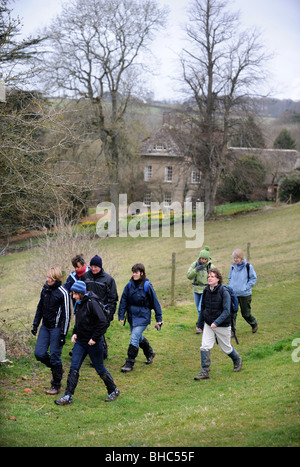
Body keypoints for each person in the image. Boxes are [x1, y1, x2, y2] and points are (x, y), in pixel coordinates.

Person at [54, 281, 119, 405]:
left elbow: (102, 322)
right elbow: (79, 321)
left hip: (93, 343)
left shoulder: (92, 303)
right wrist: (74, 333)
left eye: (75, 294)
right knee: (73, 367)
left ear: (81, 293)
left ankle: (113, 390)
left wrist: (94, 338)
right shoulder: (79, 303)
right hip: (81, 342)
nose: (73, 296)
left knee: (100, 368)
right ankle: (68, 396)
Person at [194, 268, 242, 380]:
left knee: (226, 348)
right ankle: (205, 372)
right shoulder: (206, 290)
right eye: (208, 277)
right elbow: (203, 308)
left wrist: (216, 322)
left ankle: (237, 359)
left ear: (218, 279)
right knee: (205, 346)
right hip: (208, 324)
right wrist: (199, 323)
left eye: (212, 276)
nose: (209, 278)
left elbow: (227, 311)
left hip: (222, 325)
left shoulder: (224, 292)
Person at [32, 267, 70, 395]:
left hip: (57, 328)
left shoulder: (63, 292)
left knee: (54, 356)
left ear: (56, 279)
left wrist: (63, 334)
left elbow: (67, 315)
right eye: (47, 276)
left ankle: (56, 385)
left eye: (49, 277)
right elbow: (39, 308)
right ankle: (57, 369)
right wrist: (35, 324)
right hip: (45, 327)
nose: (47, 279)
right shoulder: (45, 290)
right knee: (39, 354)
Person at [118, 263, 163, 372]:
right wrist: (121, 314)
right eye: (133, 272)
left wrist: (159, 318)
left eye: (136, 273)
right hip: (132, 316)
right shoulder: (129, 285)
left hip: (143, 316)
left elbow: (155, 302)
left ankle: (129, 363)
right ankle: (150, 353)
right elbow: (123, 300)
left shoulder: (147, 286)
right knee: (138, 337)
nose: (134, 274)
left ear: (141, 273)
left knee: (134, 337)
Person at [82, 255, 118, 358]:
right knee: (94, 333)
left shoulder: (109, 279)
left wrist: (110, 314)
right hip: (88, 311)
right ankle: (100, 353)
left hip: (102, 312)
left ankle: (99, 354)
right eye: (91, 266)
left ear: (100, 266)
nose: (93, 268)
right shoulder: (85, 277)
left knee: (98, 332)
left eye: (96, 266)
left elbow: (113, 298)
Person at [228, 249, 258, 333]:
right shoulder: (232, 267)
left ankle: (254, 323)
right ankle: (232, 331)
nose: (235, 259)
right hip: (234, 294)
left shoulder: (248, 267)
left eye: (237, 258)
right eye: (234, 258)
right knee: (232, 313)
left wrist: (246, 287)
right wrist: (231, 287)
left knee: (246, 314)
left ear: (241, 257)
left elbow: (253, 278)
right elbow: (230, 278)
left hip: (245, 294)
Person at [187, 246, 214, 334]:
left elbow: (216, 277)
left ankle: (199, 326)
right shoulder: (194, 265)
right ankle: (205, 322)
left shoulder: (211, 266)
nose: (203, 261)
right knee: (198, 308)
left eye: (205, 259)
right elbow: (188, 276)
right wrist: (196, 270)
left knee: (200, 309)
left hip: (206, 289)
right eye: (202, 258)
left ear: (208, 259)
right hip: (196, 289)